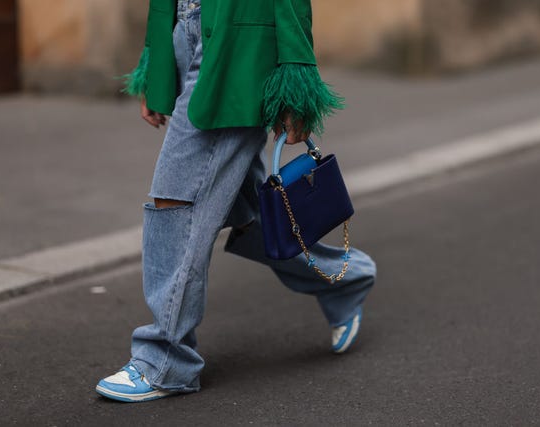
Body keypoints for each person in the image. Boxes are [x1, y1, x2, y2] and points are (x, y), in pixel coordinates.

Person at [95, 0, 376, 403]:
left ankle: (166, 359)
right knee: (249, 215)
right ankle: (345, 280)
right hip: (189, 30)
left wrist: (295, 75)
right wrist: (158, 62)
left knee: (176, 199)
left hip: (239, 50)